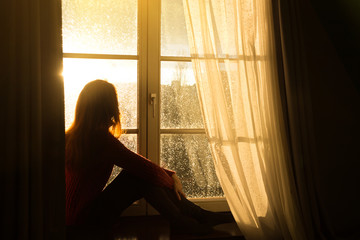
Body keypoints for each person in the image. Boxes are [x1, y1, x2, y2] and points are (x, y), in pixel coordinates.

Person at [65, 80, 234, 236]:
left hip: (71, 219)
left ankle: (190, 218)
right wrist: (171, 178)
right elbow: (145, 170)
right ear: (108, 108)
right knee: (136, 177)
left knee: (137, 175)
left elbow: (139, 164)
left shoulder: (69, 136)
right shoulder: (101, 140)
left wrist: (169, 173)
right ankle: (191, 218)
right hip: (85, 222)